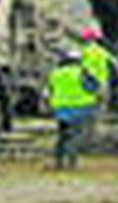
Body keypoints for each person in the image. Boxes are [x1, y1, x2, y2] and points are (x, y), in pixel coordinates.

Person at [45, 30, 108, 169]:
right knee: (76, 135)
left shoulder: (56, 73)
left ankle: (59, 161)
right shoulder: (82, 72)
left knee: (62, 135)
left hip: (61, 109)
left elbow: (49, 90)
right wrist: (98, 96)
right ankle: (72, 162)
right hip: (79, 108)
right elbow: (91, 86)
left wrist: (49, 104)